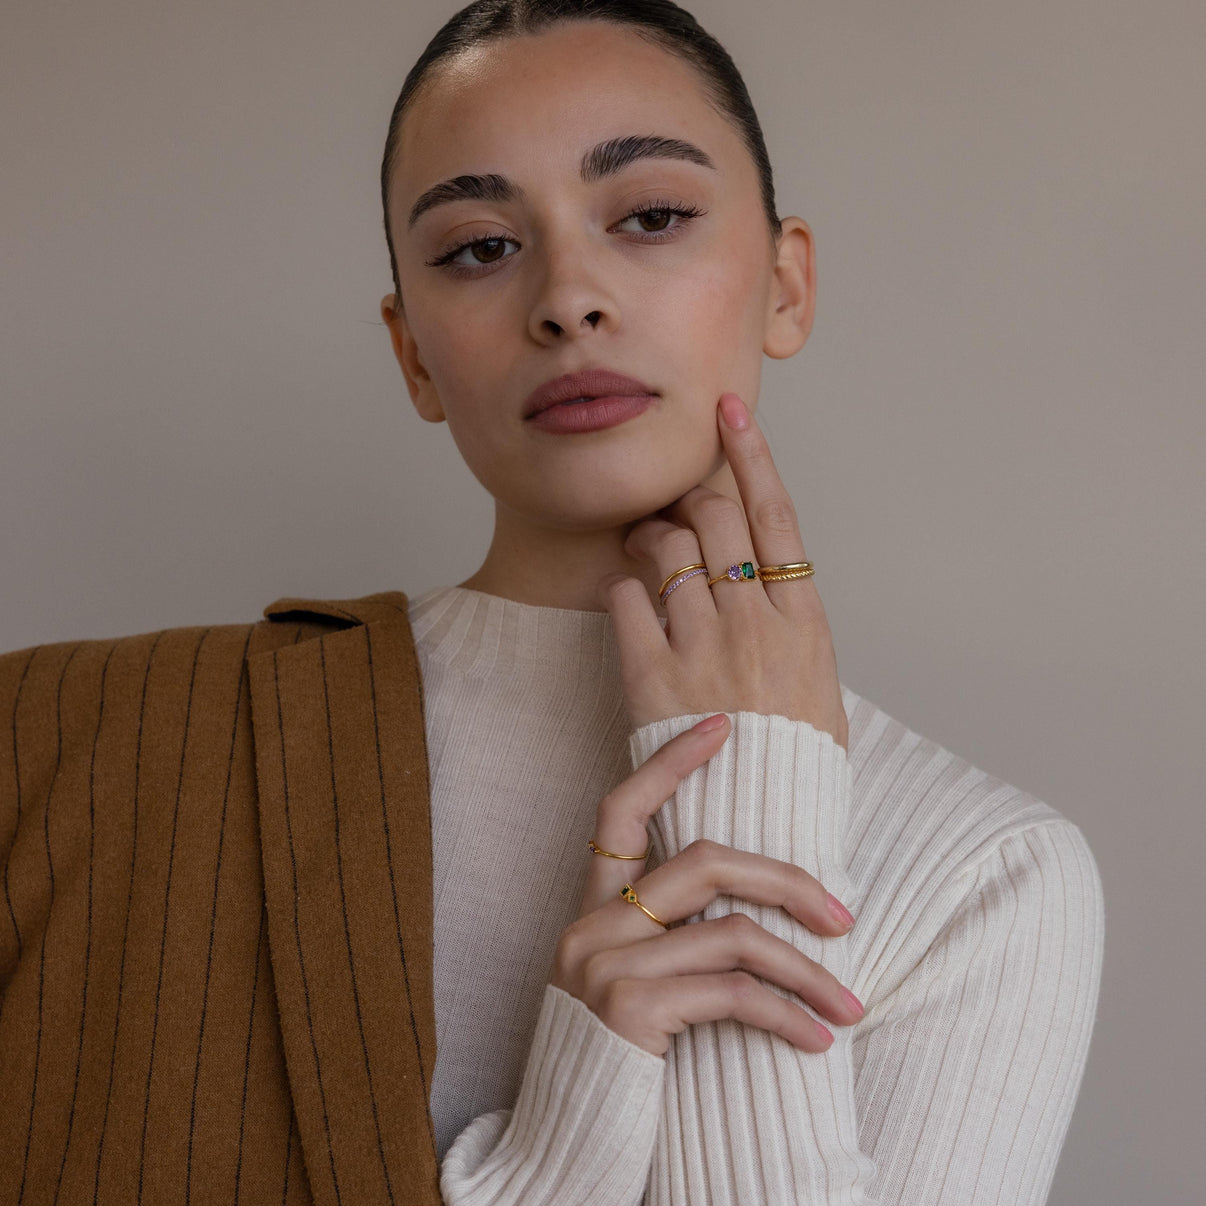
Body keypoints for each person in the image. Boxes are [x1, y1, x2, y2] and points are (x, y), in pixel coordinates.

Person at [0, 2, 1103, 1204]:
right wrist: (554, 1152)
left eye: (651, 217)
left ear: (786, 285)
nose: (568, 298)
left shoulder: (988, 875)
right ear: (413, 354)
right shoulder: (61, 741)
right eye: (480, 246)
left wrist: (758, 803)